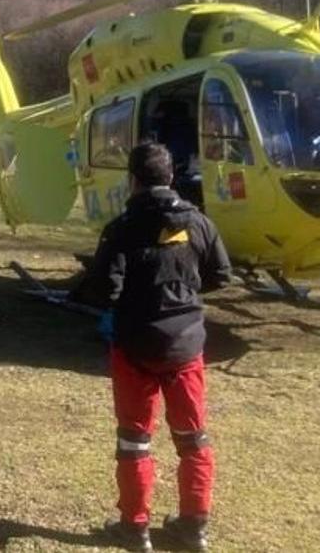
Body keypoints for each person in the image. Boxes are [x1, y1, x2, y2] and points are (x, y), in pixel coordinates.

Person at [94, 142, 233, 553]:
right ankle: (195, 528)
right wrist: (185, 289)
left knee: (134, 441)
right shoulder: (200, 222)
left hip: (134, 345)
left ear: (132, 180)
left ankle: (135, 529)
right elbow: (221, 275)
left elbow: (104, 288)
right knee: (194, 439)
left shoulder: (120, 228)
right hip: (186, 345)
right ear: (171, 176)